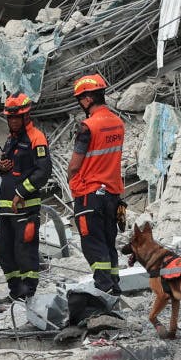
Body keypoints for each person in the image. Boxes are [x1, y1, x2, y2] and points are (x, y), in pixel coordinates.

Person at [67, 74, 124, 295]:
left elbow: (74, 165)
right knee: (109, 242)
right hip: (113, 194)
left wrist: (74, 182)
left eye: (81, 99)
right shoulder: (117, 123)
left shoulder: (87, 127)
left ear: (88, 99)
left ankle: (104, 288)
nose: (81, 103)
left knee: (92, 243)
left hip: (89, 194)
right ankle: (114, 285)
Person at [0, 93, 51, 301]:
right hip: (7, 209)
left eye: (17, 117)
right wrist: (0, 167)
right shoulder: (11, 140)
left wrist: (20, 193)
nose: (13, 121)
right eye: (10, 118)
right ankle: (15, 291)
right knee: (4, 252)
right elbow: (5, 169)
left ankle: (28, 292)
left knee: (24, 252)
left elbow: (43, 172)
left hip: (26, 208)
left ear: (26, 116)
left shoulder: (37, 138)